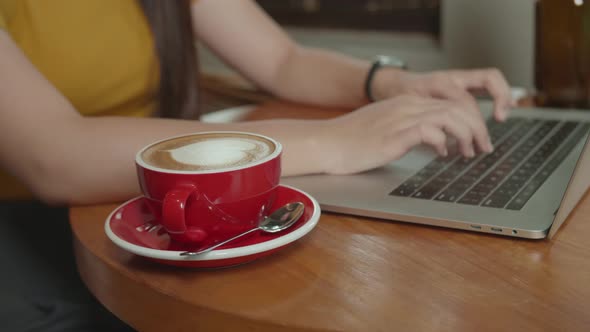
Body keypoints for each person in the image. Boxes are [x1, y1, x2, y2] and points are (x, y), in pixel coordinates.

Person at [0, 0, 513, 331]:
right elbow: (54, 153)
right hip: (23, 224)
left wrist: (388, 82)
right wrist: (330, 142)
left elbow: (281, 60)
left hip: (152, 198)